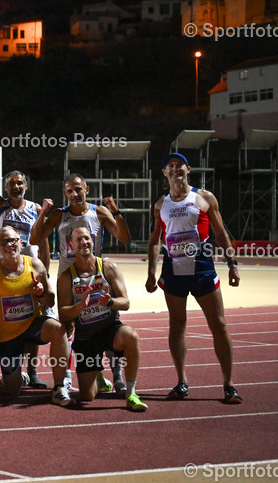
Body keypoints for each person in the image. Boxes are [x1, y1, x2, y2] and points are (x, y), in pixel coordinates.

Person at [146, 153, 242, 404]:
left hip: (202, 269)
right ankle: (182, 381)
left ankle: (229, 385)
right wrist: (151, 274)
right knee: (177, 325)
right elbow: (155, 240)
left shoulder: (204, 197)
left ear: (188, 169)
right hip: (173, 271)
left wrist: (232, 264)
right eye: (171, 166)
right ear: (164, 172)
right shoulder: (160, 204)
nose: (176, 170)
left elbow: (220, 234)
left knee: (218, 325)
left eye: (180, 166)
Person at [31, 173, 131, 392]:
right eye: (69, 191)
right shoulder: (59, 215)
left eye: (78, 189)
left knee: (109, 321)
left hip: (96, 275)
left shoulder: (99, 212)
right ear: (65, 193)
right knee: (67, 326)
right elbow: (34, 239)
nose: (74, 194)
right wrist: (43, 214)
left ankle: (118, 378)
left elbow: (124, 238)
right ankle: (66, 377)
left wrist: (116, 211)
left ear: (87, 190)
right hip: (68, 278)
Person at [0, 139, 50, 389]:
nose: (16, 186)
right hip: (3, 275)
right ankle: (12, 371)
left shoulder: (36, 208)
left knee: (31, 319)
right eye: (11, 183)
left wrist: (45, 273)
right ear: (5, 187)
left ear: (26, 186)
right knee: (8, 320)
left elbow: (43, 243)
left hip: (29, 273)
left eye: (20, 182)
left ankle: (32, 371)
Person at [0, 226, 74, 406]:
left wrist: (40, 293)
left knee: (59, 329)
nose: (9, 245)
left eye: (13, 240)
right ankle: (19, 377)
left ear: (20, 242)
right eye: (4, 241)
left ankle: (60, 387)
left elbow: (50, 301)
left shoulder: (35, 265)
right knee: (11, 391)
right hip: (9, 336)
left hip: (33, 326)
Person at [57, 227, 146, 411]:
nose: (84, 242)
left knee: (131, 336)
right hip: (86, 338)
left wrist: (110, 301)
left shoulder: (108, 268)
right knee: (87, 396)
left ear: (93, 241)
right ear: (71, 245)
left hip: (110, 330)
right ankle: (99, 379)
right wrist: (79, 307)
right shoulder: (67, 277)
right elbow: (63, 313)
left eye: (87, 238)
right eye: (79, 239)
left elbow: (126, 302)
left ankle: (131, 394)